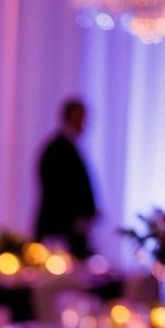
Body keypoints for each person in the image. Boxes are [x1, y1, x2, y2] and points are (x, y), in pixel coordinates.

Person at [34, 98, 97, 260]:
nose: (85, 122)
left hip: (69, 231)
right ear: (70, 117)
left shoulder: (69, 146)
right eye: (81, 117)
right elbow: (56, 191)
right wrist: (77, 218)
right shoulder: (57, 150)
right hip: (59, 233)